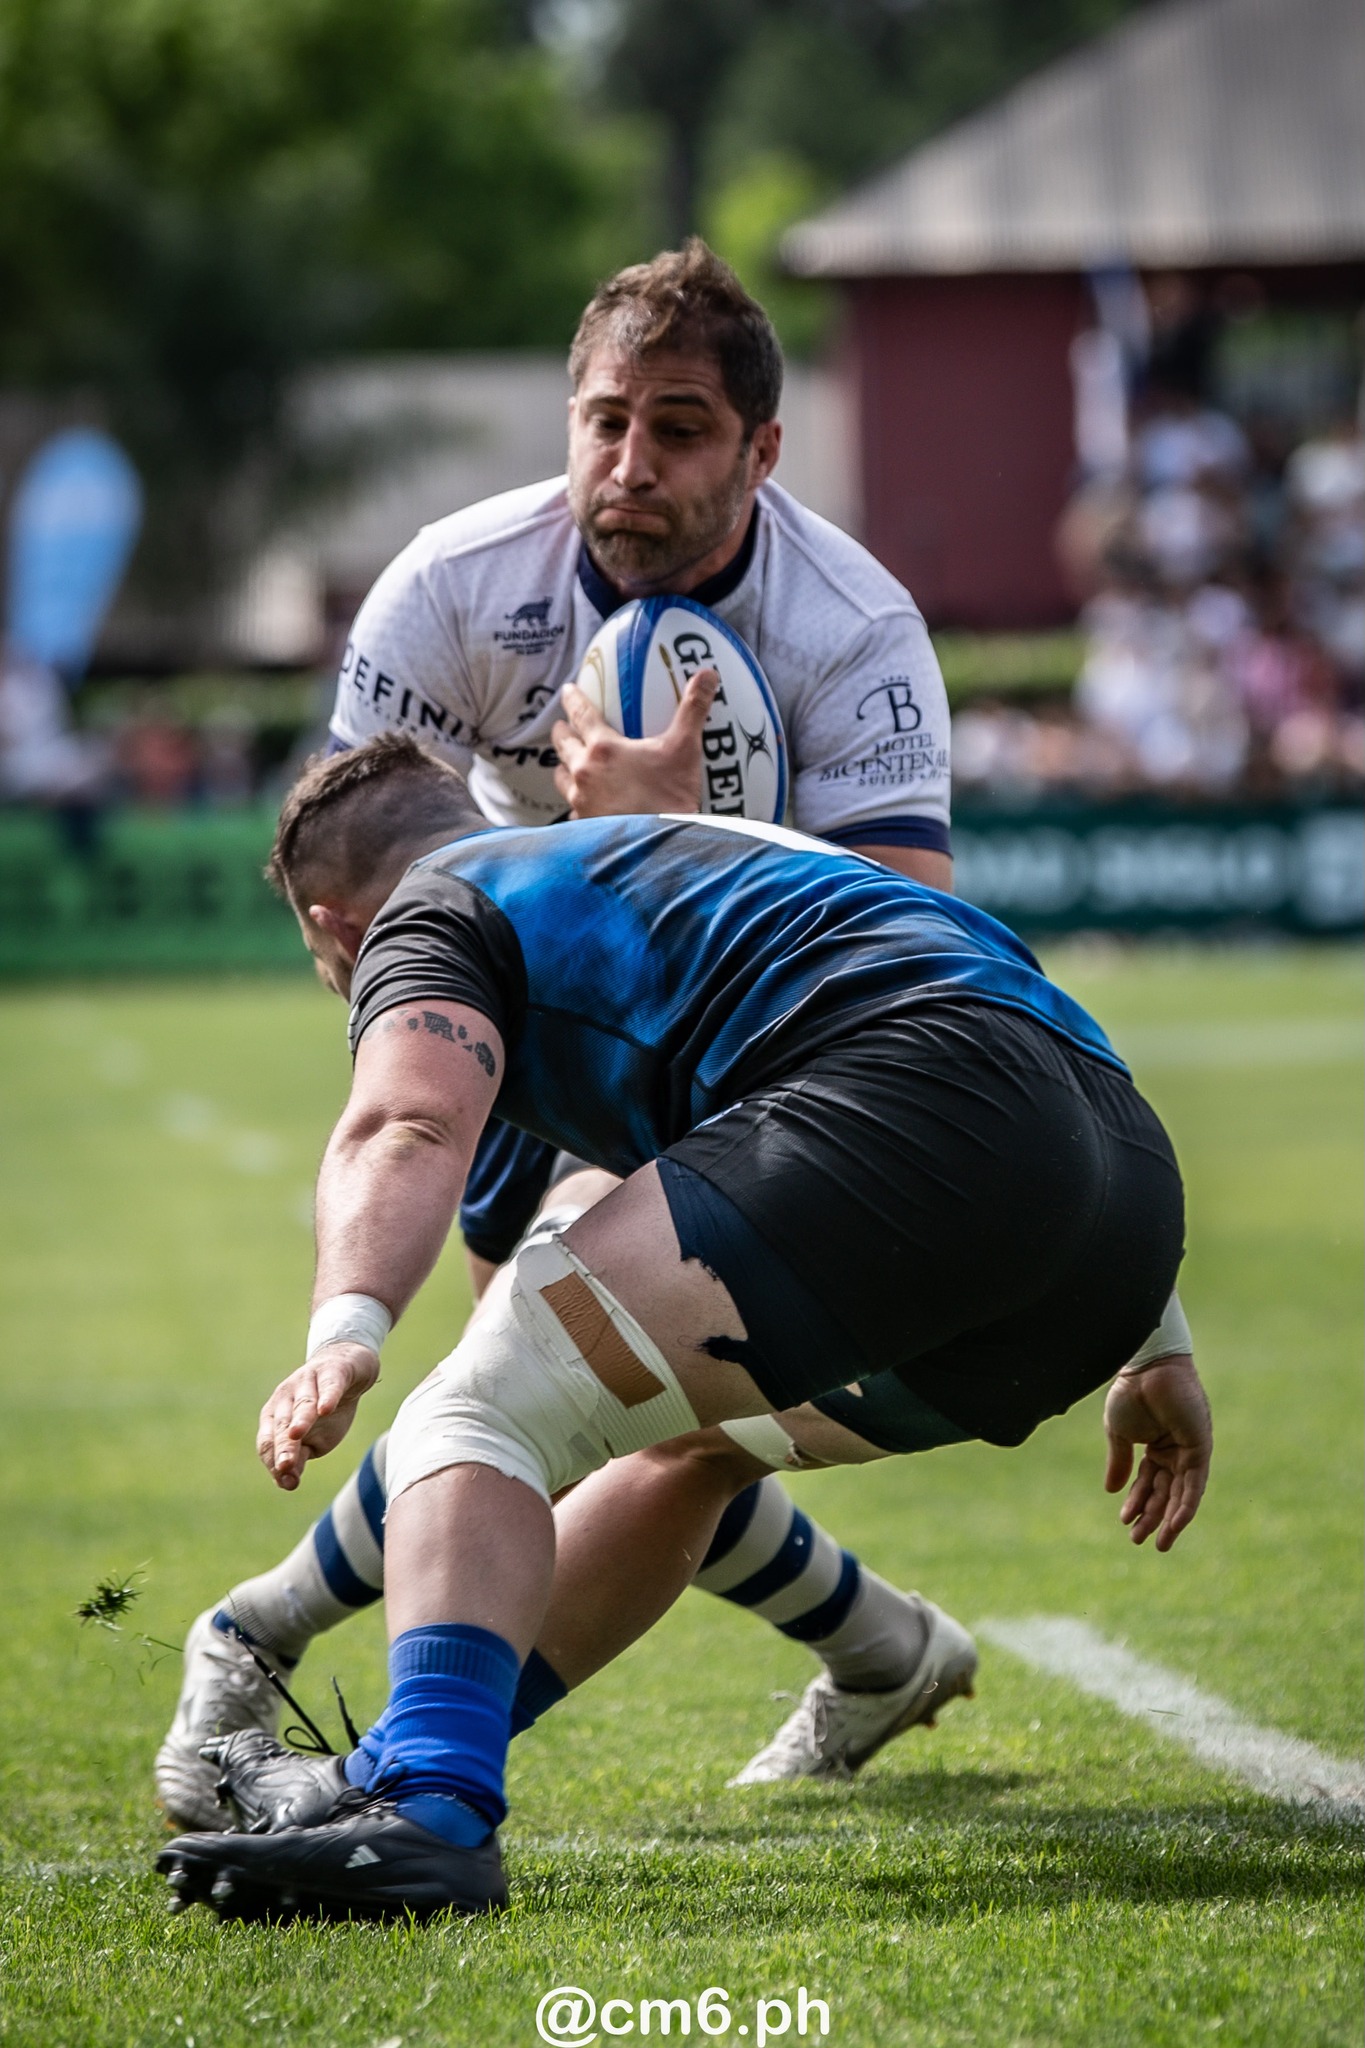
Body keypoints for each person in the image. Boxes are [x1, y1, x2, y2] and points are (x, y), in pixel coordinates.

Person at [156, 239, 963, 1826]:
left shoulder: (853, 627)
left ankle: (265, 1649)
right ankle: (883, 1651)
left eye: (676, 429)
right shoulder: (456, 588)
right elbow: (354, 854)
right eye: (602, 422)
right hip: (526, 1021)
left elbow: (909, 929)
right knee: (600, 1406)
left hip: (766, 1048)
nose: (627, 465)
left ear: (761, 449)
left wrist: (671, 846)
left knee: (575, 1385)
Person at [158, 735, 1211, 1922]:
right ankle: (391, 1771)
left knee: (469, 1408)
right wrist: (1156, 1342)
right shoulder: (698, 859)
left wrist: (345, 1331)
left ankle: (426, 1806)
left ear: (337, 925)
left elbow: (403, 1121)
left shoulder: (435, 902)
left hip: (915, 1107)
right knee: (690, 1443)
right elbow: (1002, 1024)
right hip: (1121, 1204)